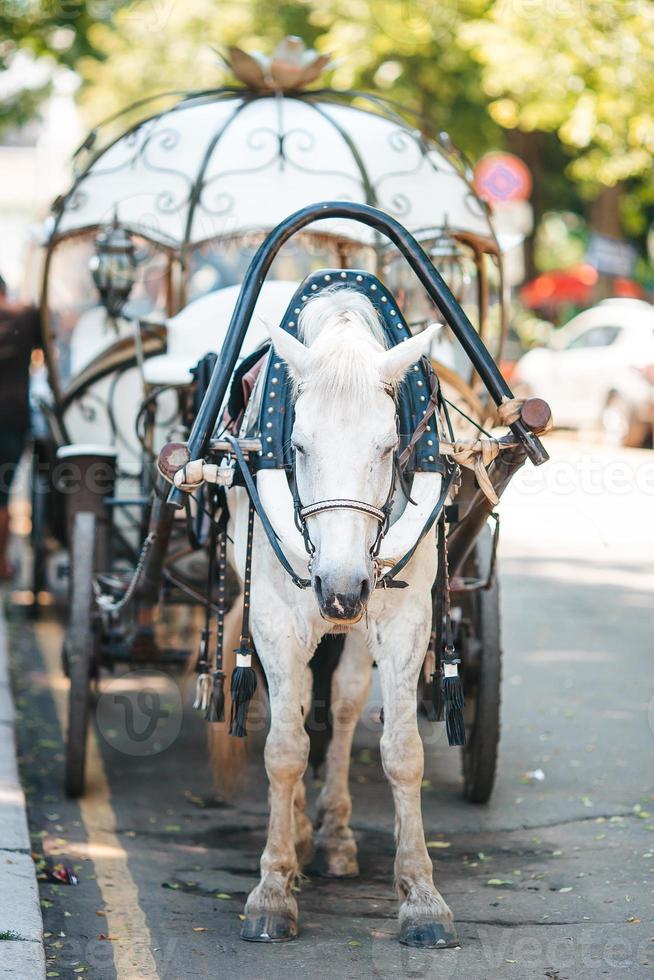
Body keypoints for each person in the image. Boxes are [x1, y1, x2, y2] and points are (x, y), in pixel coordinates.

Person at [0, 274, 41, 579]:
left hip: (12, 418)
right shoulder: (24, 316)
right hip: (12, 418)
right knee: (3, 495)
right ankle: (1, 563)